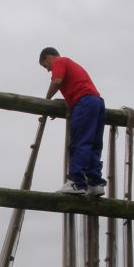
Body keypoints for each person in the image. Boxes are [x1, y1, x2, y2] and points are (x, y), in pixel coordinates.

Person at [39, 47, 106, 196]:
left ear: (48, 57)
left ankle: (78, 182)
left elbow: (57, 81)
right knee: (94, 143)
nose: (48, 70)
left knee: (79, 142)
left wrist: (46, 100)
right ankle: (95, 182)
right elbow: (72, 91)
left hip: (84, 103)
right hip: (97, 102)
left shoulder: (59, 61)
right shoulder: (71, 65)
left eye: (45, 66)